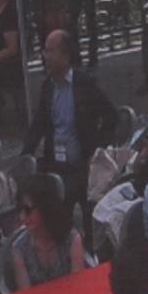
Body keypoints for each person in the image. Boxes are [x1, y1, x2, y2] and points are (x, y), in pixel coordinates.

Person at [24, 28, 120, 184]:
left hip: (82, 164)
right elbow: (38, 124)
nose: (45, 56)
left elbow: (111, 115)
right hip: (55, 164)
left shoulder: (84, 84)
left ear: (66, 56)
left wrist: (98, 151)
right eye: (45, 51)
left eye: (50, 51)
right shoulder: (48, 87)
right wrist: (25, 155)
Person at [7, 175, 92, 287]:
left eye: (27, 210)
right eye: (20, 210)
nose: (22, 217)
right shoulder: (19, 249)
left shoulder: (72, 240)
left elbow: (78, 287)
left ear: (46, 207)